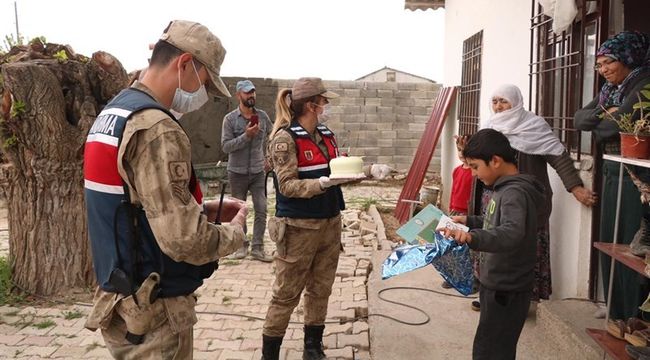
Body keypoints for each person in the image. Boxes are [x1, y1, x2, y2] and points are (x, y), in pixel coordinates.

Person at [83, 20, 247, 359]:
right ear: (184, 63)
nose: (202, 96)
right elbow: (184, 240)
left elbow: (132, 205)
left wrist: (198, 212)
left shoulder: (113, 113)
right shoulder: (156, 128)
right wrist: (235, 232)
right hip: (155, 312)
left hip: (121, 299)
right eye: (203, 83)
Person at [475, 84, 596, 308]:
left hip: (529, 201)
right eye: (495, 101)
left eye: (504, 101)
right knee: (494, 243)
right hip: (494, 198)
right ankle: (490, 294)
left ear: (516, 101)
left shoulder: (534, 126)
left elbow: (558, 156)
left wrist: (575, 188)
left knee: (528, 247)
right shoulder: (489, 128)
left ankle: (526, 299)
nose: (499, 106)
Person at [261, 77, 352, 360]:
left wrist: (351, 174)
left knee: (320, 288)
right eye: (324, 102)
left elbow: (332, 170)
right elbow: (287, 185)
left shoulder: (326, 135)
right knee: (286, 293)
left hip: (329, 222)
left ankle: (313, 346)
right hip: (298, 228)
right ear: (312, 105)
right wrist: (321, 184)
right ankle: (270, 353)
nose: (327, 107)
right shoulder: (285, 139)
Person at [439, 128, 545, 360]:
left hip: (507, 288)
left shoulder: (514, 193)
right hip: (496, 284)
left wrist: (472, 237)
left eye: (475, 166)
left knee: (493, 350)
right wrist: (468, 221)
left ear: (495, 161)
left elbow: (511, 232)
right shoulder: (502, 189)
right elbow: (493, 221)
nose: (474, 174)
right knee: (489, 344)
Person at [575, 31, 650, 320]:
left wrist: (605, 119)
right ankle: (614, 306)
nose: (603, 69)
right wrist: (609, 114)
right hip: (611, 171)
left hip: (635, 177)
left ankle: (630, 312)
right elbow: (579, 118)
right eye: (600, 64)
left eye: (609, 62)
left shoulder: (643, 84)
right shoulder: (610, 91)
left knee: (628, 243)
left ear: (628, 58)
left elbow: (609, 129)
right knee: (608, 236)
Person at [221, 79, 274, 262]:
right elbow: (226, 147)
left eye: (252, 92)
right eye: (246, 92)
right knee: (238, 211)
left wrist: (269, 157)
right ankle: (241, 245)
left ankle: (257, 248)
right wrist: (246, 136)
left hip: (258, 172)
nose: (251, 95)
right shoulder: (229, 119)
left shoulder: (263, 116)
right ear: (238, 95)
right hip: (237, 172)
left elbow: (272, 138)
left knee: (261, 208)